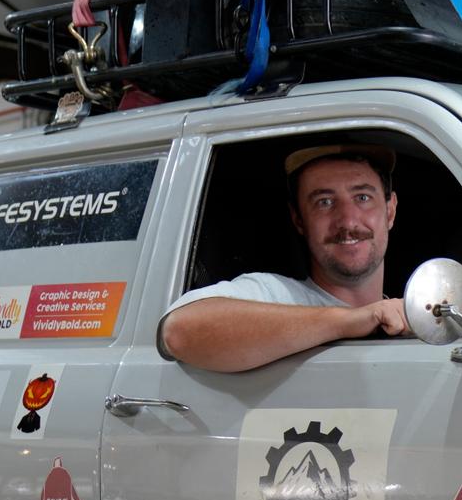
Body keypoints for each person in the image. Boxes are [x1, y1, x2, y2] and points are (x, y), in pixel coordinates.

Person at [160, 142, 411, 371]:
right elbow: (178, 331)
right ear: (298, 220)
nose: (347, 220)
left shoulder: (406, 318)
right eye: (324, 202)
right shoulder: (277, 296)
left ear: (390, 211)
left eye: (362, 198)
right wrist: (351, 320)